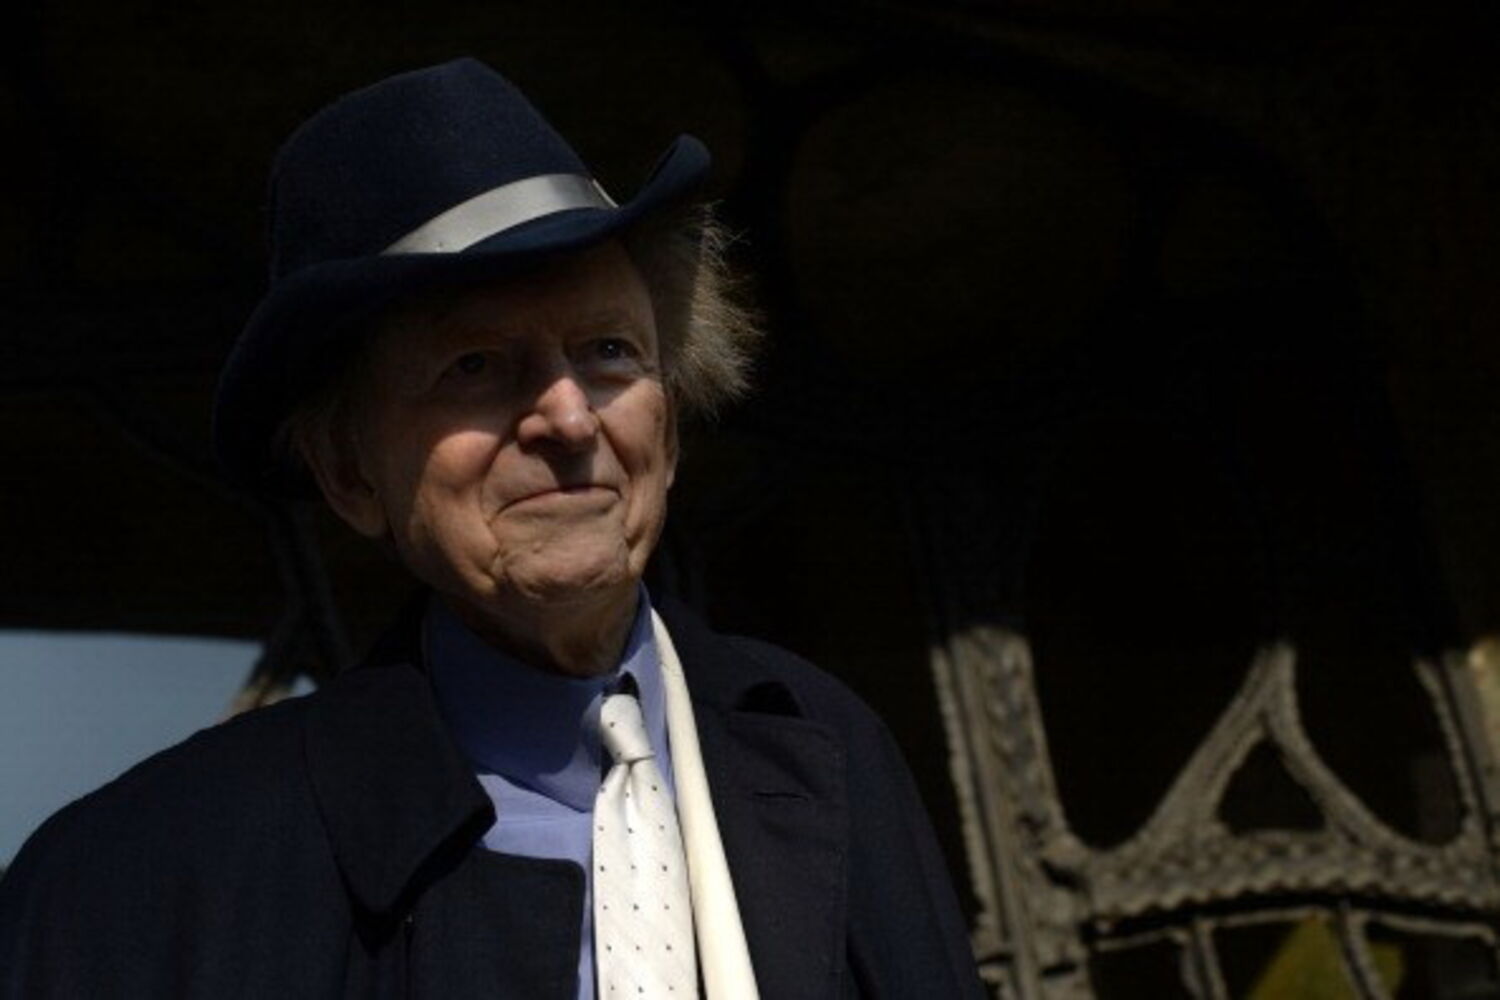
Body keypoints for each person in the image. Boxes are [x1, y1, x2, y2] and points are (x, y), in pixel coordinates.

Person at [0, 58, 984, 999]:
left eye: (609, 350)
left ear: (672, 427)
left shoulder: (828, 748)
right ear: (350, 474)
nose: (568, 418)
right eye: (475, 366)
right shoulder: (133, 890)